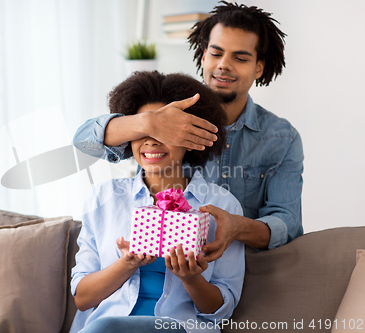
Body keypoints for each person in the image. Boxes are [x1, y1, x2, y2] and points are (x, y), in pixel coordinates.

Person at [73, 1, 303, 261]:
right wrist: (148, 123)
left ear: (258, 67)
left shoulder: (282, 138)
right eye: (216, 54)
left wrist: (237, 227)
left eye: (240, 58)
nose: (224, 65)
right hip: (161, 266)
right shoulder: (165, 114)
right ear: (203, 56)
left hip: (238, 269)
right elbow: (83, 141)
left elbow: (289, 223)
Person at [70, 71, 245, 333]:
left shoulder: (221, 206)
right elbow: (82, 299)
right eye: (144, 129)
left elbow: (222, 309)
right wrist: (126, 263)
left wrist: (191, 278)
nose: (151, 140)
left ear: (191, 138)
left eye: (165, 131)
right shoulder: (104, 199)